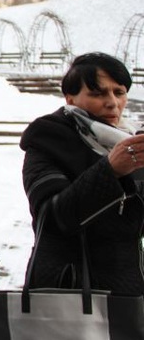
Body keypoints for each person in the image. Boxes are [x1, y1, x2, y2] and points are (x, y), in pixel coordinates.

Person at [20, 52, 144, 294]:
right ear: (70, 99)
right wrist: (110, 170)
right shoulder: (47, 139)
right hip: (69, 293)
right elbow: (53, 217)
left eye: (119, 92)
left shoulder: (130, 141)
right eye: (97, 94)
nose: (112, 102)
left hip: (128, 291)